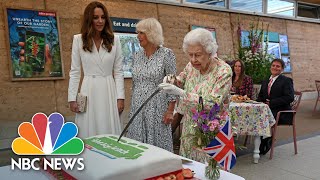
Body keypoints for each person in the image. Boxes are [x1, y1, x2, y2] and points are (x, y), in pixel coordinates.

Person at [159, 28, 232, 161]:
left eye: (198, 55)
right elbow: (180, 80)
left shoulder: (223, 71)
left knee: (210, 170)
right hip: (190, 127)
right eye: (190, 55)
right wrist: (171, 80)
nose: (193, 60)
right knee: (190, 167)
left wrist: (180, 93)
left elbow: (212, 103)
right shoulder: (191, 66)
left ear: (209, 51)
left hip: (211, 129)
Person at [68, 1, 124, 138]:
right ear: (89, 19)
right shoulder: (78, 40)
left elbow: (118, 71)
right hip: (88, 89)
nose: (100, 21)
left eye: (103, 17)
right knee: (88, 130)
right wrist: (72, 98)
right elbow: (75, 72)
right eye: (95, 17)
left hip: (108, 89)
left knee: (108, 129)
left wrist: (120, 97)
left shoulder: (114, 40)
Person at [126, 18, 177, 152]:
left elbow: (172, 82)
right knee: (138, 145)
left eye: (141, 33)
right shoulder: (137, 56)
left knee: (157, 146)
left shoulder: (166, 54)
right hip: (138, 106)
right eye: (138, 33)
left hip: (157, 107)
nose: (138, 36)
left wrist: (170, 110)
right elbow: (135, 83)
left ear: (151, 33)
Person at [257, 58, 294, 155]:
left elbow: (289, 97)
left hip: (281, 112)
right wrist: (259, 103)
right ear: (270, 67)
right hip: (267, 111)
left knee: (262, 117)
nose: (275, 67)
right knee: (254, 115)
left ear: (282, 69)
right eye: (273, 65)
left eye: (278, 66)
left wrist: (271, 103)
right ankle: (263, 138)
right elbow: (260, 96)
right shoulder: (266, 80)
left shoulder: (286, 81)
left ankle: (265, 141)